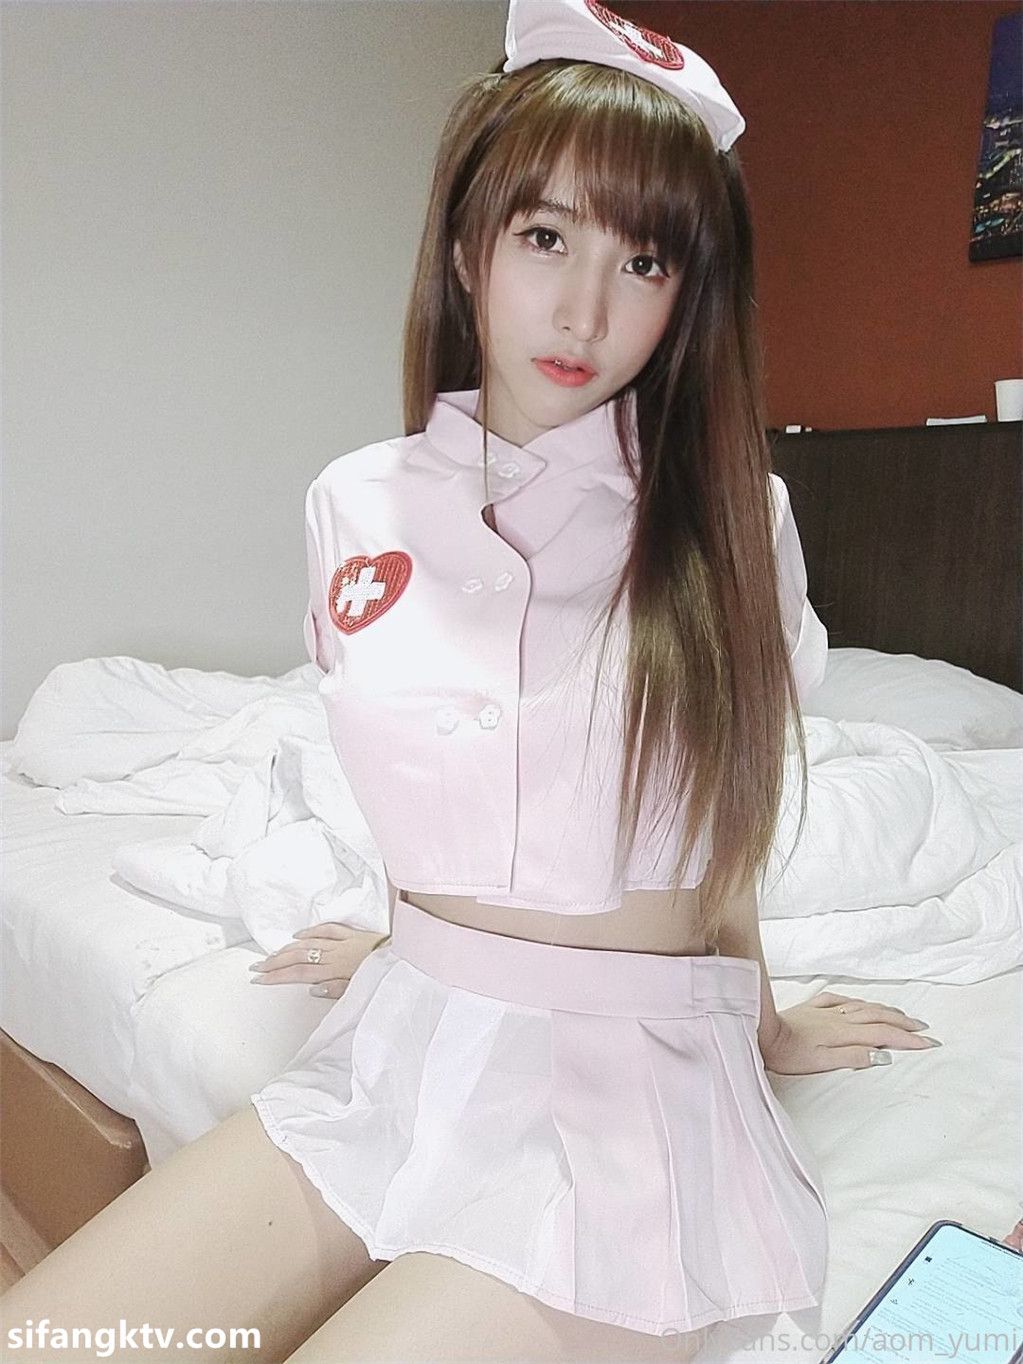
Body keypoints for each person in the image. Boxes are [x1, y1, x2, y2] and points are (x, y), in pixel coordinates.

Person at [0, 1, 941, 1360]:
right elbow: (436, 780)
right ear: (465, 245)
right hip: (411, 1034)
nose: (583, 311)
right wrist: (411, 939)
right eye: (545, 236)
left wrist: (765, 1019)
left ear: (688, 295)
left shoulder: (737, 520)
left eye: (644, 260)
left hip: (629, 1086)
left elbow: (719, 816)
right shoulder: (354, 503)